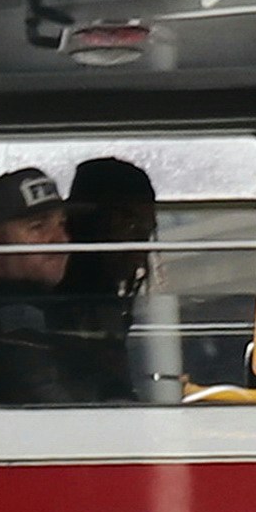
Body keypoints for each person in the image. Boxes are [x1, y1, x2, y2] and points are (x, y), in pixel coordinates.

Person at [41, 156, 161, 404]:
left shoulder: (107, 299)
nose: (139, 246)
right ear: (89, 224)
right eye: (129, 225)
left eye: (146, 230)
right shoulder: (62, 300)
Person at [0, 163, 68, 405]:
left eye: (62, 224)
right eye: (37, 227)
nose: (60, 240)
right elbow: (42, 393)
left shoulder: (53, 305)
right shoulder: (9, 314)